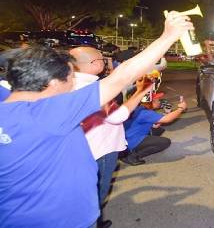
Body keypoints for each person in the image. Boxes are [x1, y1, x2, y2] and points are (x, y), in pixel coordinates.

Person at [0, 13, 193, 227]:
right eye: (70, 77)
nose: (74, 83)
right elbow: (122, 76)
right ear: (53, 82)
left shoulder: (7, 101)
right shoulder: (50, 113)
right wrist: (168, 36)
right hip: (62, 220)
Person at [69, 46, 155, 228]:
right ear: (93, 63)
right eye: (101, 59)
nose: (105, 61)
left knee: (83, 191)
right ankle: (93, 221)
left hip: (80, 148)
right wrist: (141, 92)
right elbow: (117, 117)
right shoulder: (93, 89)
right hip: (101, 149)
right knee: (98, 191)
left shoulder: (68, 83)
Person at [121, 94, 188, 165]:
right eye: (157, 100)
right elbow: (168, 119)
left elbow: (155, 124)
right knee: (165, 142)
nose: (159, 101)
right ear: (150, 102)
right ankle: (131, 156)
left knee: (158, 130)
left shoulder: (139, 108)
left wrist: (165, 114)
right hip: (131, 142)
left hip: (126, 139)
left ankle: (131, 150)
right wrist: (180, 109)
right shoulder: (145, 113)